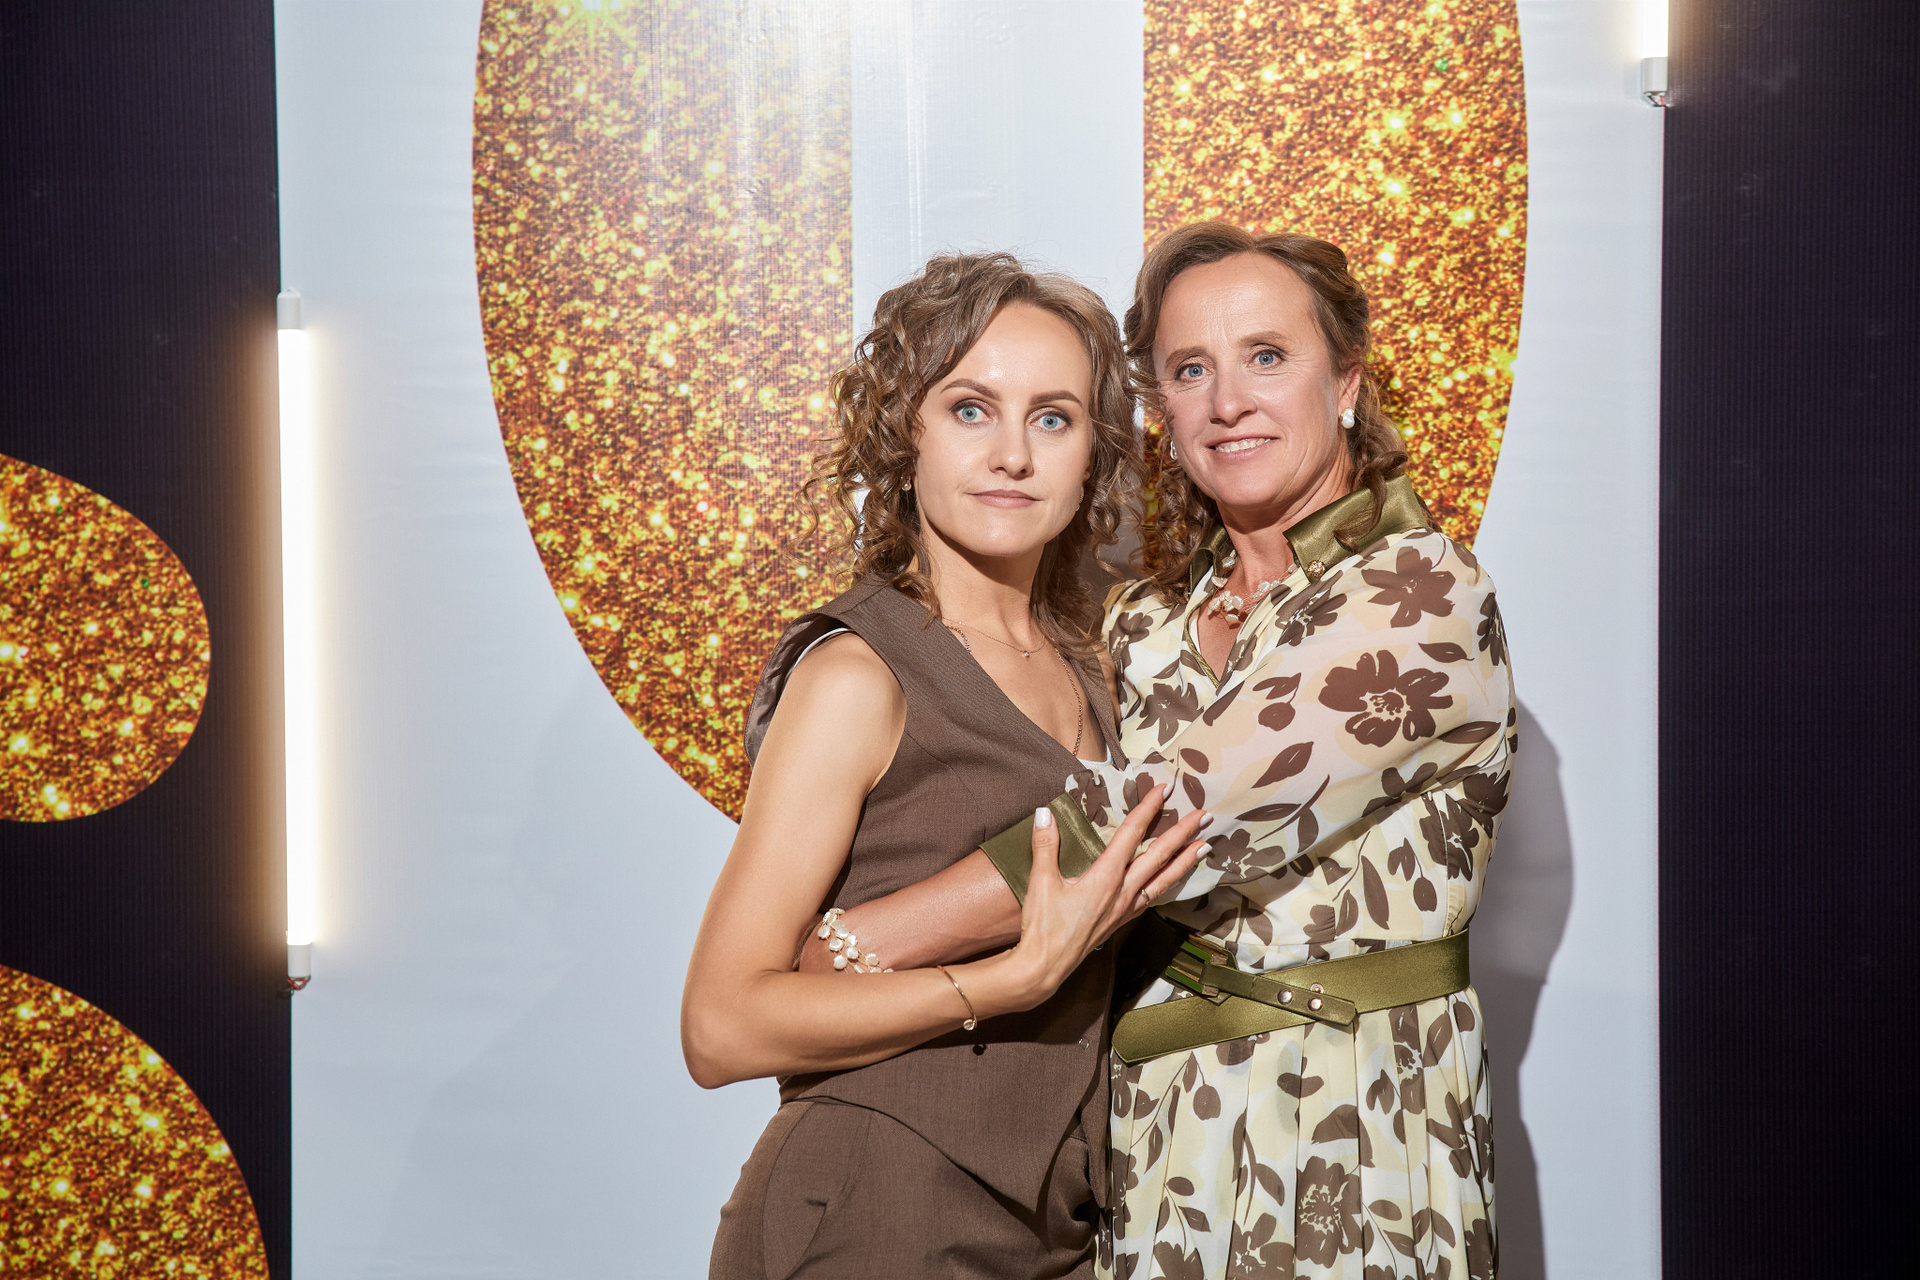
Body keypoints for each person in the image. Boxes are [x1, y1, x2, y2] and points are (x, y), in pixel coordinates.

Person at [799, 223, 1515, 1280]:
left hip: (1347, 1127)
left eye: (1266, 355)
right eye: (1189, 369)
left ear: (1347, 383)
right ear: (1159, 411)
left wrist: (857, 947)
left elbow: (1163, 813)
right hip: (1149, 1146)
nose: (1228, 400)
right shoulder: (1140, 624)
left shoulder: (1420, 594)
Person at [683, 251, 1212, 1279]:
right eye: (972, 409)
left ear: (1093, 455)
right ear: (904, 434)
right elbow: (721, 1023)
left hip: (1058, 1228)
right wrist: (1004, 979)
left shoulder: (1099, 668)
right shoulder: (859, 671)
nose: (1012, 454)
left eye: (1052, 418)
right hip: (874, 1204)